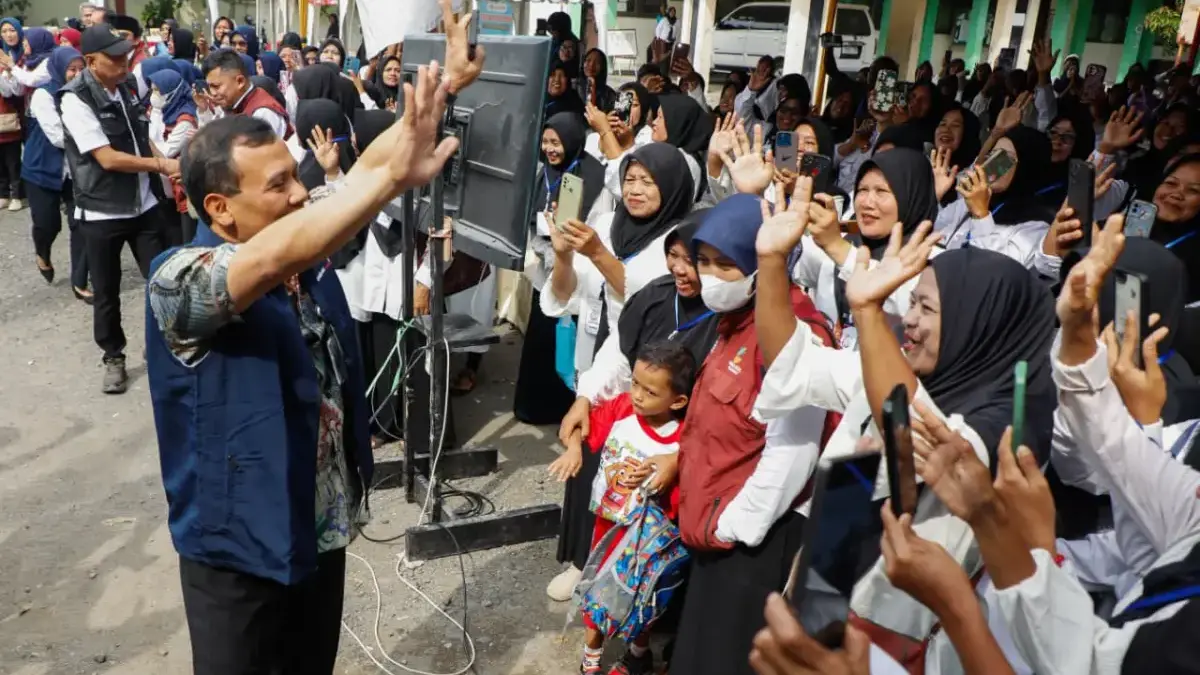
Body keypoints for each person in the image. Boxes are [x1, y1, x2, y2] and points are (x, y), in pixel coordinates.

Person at [144, 8, 482, 671]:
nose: (302, 194)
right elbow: (280, 251)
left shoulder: (301, 254)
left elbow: (357, 178)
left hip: (317, 523)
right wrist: (388, 180)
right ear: (219, 209)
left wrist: (442, 95)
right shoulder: (181, 282)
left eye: (298, 175)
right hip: (236, 547)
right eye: (279, 186)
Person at [669, 193, 836, 675]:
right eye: (704, 261)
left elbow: (793, 452)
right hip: (715, 526)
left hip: (752, 541)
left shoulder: (796, 332)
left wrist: (736, 524)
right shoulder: (733, 322)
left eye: (727, 264)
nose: (712, 276)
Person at [58, 25, 179, 392]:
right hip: (102, 211)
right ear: (91, 62)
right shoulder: (74, 99)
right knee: (107, 293)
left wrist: (169, 165)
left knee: (164, 281)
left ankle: (171, 350)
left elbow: (143, 140)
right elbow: (107, 159)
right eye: (115, 57)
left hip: (143, 206)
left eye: (126, 55)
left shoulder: (126, 88)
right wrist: (160, 167)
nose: (125, 62)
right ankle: (113, 357)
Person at [562, 341, 695, 675]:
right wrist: (574, 450)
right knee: (597, 587)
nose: (637, 395)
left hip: (647, 537)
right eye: (634, 383)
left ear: (678, 400)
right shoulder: (620, 409)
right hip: (608, 526)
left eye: (649, 391)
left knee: (642, 594)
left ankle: (638, 650)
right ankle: (592, 655)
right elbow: (582, 425)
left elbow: (680, 496)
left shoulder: (681, 441)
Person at [515, 112, 608, 427]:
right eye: (545, 142)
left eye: (556, 142)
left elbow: (592, 224)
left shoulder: (593, 176)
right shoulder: (543, 172)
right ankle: (535, 408)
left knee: (568, 341)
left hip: (575, 271)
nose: (550, 148)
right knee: (542, 337)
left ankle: (568, 407)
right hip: (544, 269)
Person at [792, 148, 939, 342]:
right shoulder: (842, 244)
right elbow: (785, 260)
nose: (867, 202)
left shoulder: (934, 262)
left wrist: (838, 248)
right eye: (862, 190)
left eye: (881, 191)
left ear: (912, 196)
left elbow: (910, 307)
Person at [936, 126, 1061, 277]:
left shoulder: (1036, 225)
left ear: (1028, 165)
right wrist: (935, 195)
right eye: (992, 155)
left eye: (1004, 158)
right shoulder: (972, 201)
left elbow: (992, 271)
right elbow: (934, 231)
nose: (992, 165)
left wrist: (981, 216)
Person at [25, 46, 90, 301]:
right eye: (71, 70)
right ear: (58, 69)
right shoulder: (44, 95)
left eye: (80, 69)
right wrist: (91, 135)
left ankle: (80, 280)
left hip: (75, 170)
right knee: (47, 223)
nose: (75, 75)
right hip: (42, 169)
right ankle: (42, 251)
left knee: (82, 223)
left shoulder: (87, 92)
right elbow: (56, 136)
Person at [146, 67, 198, 246]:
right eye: (152, 90)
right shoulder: (161, 110)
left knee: (183, 239)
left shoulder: (185, 121)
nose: (154, 95)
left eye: (157, 91)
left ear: (172, 92)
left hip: (181, 189)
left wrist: (145, 141)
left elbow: (165, 155)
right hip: (164, 188)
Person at [202, 49, 291, 139]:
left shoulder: (262, 113)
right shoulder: (231, 106)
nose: (212, 93)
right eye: (210, 86)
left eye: (216, 86)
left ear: (240, 81)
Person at [0, 17, 25, 210]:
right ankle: (4, 192)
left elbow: (17, 89)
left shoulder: (26, 53)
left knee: (13, 156)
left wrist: (11, 68)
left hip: (20, 109)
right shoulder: (3, 53)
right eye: (4, 31)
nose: (8, 35)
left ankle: (17, 192)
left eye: (12, 30)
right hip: (6, 111)